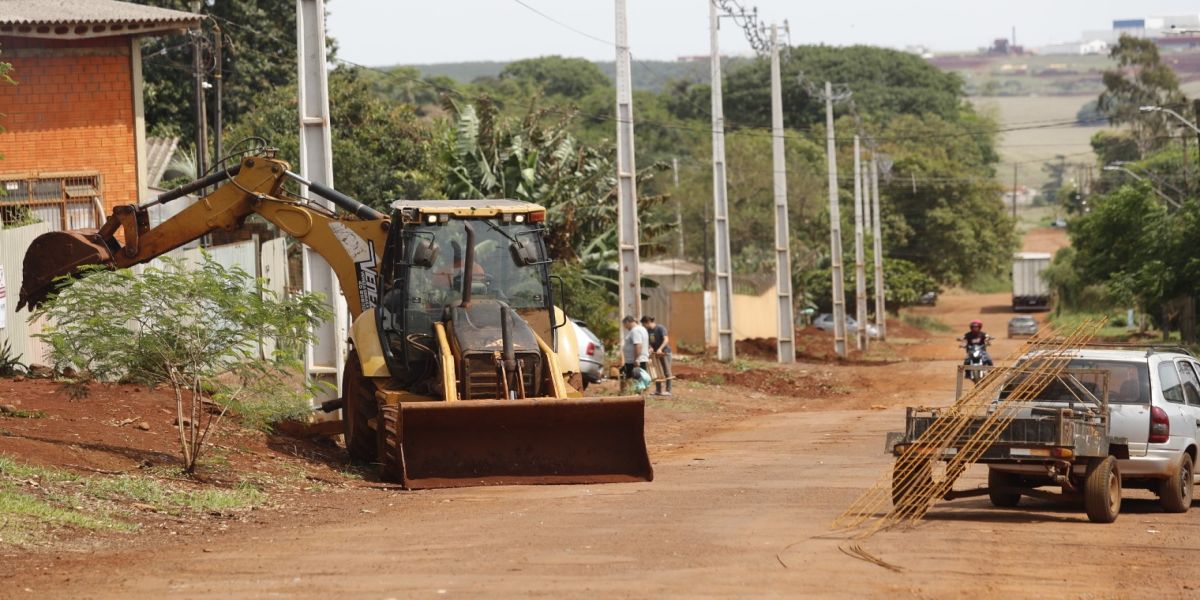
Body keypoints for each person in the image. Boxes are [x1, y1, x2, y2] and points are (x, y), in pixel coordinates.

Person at [641, 315, 672, 396]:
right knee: (656, 372)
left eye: (644, 324)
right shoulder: (648, 331)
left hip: (665, 353)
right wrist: (650, 347)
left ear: (648, 322)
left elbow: (666, 340)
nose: (644, 326)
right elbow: (650, 342)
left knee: (667, 371)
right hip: (655, 354)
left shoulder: (660, 328)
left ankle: (668, 391)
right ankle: (658, 390)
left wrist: (660, 349)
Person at [621, 315, 649, 392]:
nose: (625, 327)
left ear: (628, 322)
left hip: (634, 361)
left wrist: (636, 359)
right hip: (638, 360)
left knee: (635, 380)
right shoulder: (641, 329)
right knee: (639, 380)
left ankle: (635, 395)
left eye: (625, 325)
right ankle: (638, 394)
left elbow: (638, 345)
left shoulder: (635, 330)